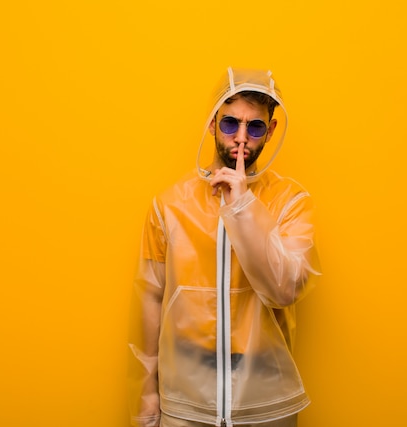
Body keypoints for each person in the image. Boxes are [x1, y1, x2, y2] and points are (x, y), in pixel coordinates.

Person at [128, 67, 322, 427]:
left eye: (256, 127)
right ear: (212, 122)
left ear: (272, 130)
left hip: (266, 402)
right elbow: (151, 296)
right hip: (186, 401)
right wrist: (148, 390)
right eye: (231, 123)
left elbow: (286, 288)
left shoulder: (291, 201)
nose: (242, 138)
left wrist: (243, 206)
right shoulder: (169, 205)